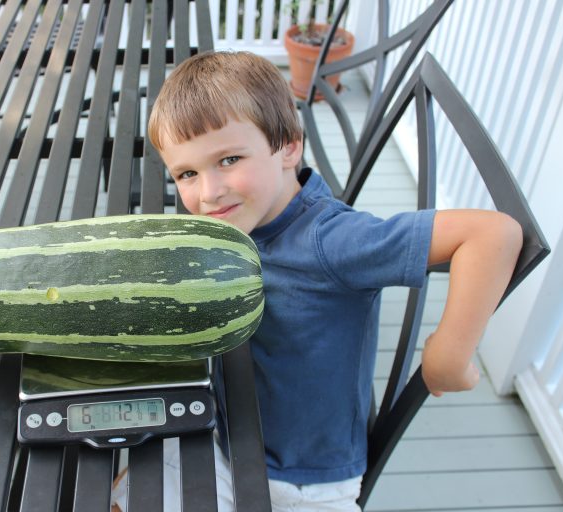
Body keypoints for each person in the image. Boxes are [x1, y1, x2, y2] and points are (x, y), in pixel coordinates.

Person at [112, 50, 522, 511]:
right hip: (230, 433)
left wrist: (448, 353)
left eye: (229, 159)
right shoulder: (239, 218)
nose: (208, 193)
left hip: (306, 480)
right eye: (187, 173)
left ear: (289, 147)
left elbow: (494, 234)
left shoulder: (332, 240)